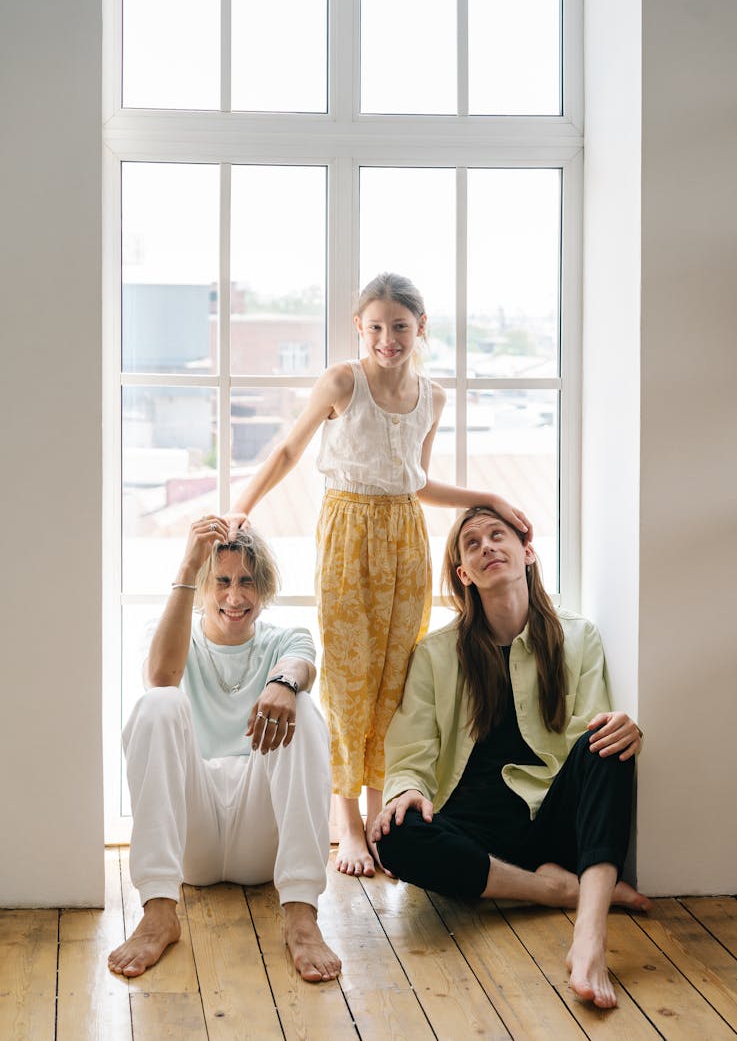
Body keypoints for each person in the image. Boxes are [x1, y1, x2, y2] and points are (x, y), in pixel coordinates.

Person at [229, 272, 532, 878]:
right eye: (375, 327)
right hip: (348, 533)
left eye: (399, 327)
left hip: (406, 543)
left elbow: (416, 482)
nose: (387, 339)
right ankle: (344, 824)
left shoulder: (433, 398)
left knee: (396, 680)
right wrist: (243, 505)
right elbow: (290, 450)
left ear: (421, 328)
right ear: (358, 329)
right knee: (347, 678)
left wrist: (489, 497)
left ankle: (380, 815)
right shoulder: (343, 381)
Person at [371, 506, 650, 1010]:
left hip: (550, 822)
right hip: (473, 832)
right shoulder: (436, 654)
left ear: (527, 552)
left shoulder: (578, 636)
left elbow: (588, 732)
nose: (486, 547)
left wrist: (622, 727)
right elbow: (411, 750)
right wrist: (408, 789)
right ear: (464, 575)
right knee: (393, 834)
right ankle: (557, 892)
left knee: (612, 739)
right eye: (472, 544)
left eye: (497, 535)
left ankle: (589, 939)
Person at [108, 515, 341, 983]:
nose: (234, 597)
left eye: (246, 583)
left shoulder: (284, 638)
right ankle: (158, 911)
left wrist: (283, 683)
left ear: (263, 588)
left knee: (306, 710)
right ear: (201, 585)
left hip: (260, 836)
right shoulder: (172, 633)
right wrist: (190, 559)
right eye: (221, 581)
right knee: (158, 703)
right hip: (193, 839)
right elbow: (160, 677)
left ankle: (300, 915)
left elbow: (301, 663)